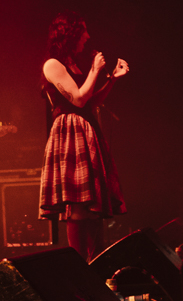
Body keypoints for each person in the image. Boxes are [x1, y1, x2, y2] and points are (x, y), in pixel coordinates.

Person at [38, 13, 129, 261]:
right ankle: (79, 266)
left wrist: (110, 79)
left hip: (86, 128)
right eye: (83, 32)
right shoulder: (53, 64)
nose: (87, 37)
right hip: (70, 132)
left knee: (93, 206)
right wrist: (95, 69)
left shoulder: (73, 63)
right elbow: (77, 98)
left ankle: (96, 266)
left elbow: (90, 102)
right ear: (70, 34)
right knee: (78, 204)